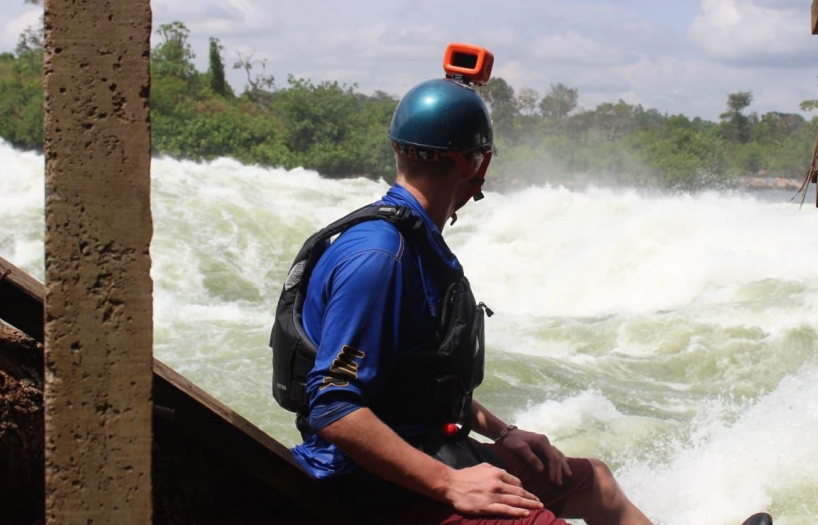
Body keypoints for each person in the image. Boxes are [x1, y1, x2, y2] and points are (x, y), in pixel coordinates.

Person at [274, 65, 654, 525]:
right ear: (474, 163)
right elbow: (333, 406)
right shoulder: (381, 258)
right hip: (371, 481)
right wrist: (452, 484)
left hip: (422, 447)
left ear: (399, 150)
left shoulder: (411, 240)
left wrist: (503, 432)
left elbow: (412, 381)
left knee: (595, 482)